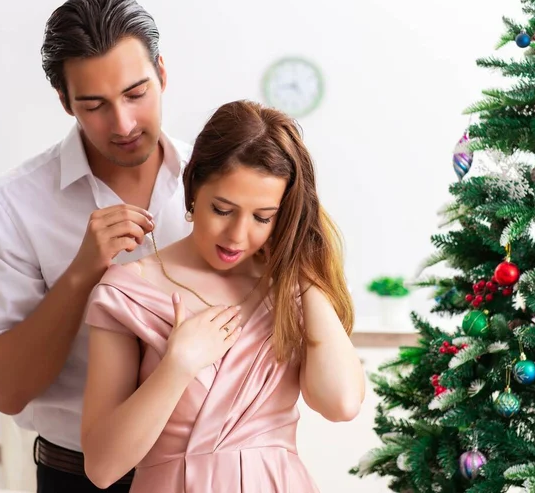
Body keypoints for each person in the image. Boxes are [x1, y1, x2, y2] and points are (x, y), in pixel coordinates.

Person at [0, 0, 192, 492]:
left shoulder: (222, 185)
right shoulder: (10, 206)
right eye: (94, 105)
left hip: (210, 467)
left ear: (162, 72)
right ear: (65, 101)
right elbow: (5, 391)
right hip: (79, 476)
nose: (124, 124)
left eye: (137, 93)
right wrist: (81, 273)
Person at [81, 99, 366, 492]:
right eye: (222, 209)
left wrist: (303, 265)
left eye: (262, 217)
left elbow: (342, 403)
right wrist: (178, 365)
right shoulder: (128, 290)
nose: (237, 236)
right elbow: (102, 466)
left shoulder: (292, 289)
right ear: (194, 185)